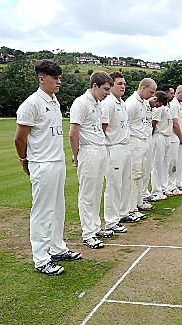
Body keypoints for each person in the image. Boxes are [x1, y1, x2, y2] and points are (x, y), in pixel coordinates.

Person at [14, 59, 81, 275]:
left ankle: (57, 247)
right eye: (54, 78)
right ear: (41, 79)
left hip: (57, 161)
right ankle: (41, 259)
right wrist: (25, 161)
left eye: (59, 77)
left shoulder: (54, 101)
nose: (58, 81)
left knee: (58, 208)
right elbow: (19, 139)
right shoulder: (31, 104)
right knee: (42, 211)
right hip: (42, 163)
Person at [69, 71, 114, 249]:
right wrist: (76, 155)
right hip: (88, 151)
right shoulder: (81, 103)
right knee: (87, 194)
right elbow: (73, 134)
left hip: (100, 150)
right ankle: (88, 234)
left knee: (96, 192)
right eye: (105, 89)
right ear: (94, 86)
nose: (107, 93)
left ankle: (95, 227)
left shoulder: (97, 103)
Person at [102, 71, 132, 233]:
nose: (123, 87)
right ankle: (111, 220)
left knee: (125, 183)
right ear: (111, 85)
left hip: (125, 146)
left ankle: (122, 213)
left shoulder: (122, 103)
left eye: (124, 84)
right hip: (113, 148)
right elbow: (103, 129)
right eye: (119, 84)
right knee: (114, 185)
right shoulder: (108, 103)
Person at [125, 78, 157, 219]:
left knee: (142, 173)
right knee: (134, 175)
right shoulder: (131, 103)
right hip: (134, 142)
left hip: (144, 141)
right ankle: (131, 208)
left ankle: (139, 202)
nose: (152, 95)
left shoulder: (144, 103)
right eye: (151, 91)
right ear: (143, 87)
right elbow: (125, 126)